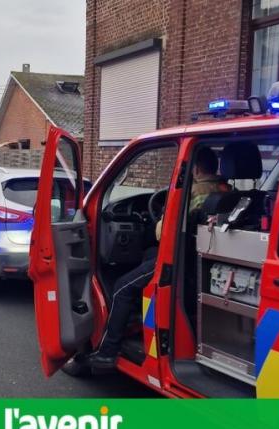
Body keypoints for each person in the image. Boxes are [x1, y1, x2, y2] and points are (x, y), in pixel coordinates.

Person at [86, 146, 229, 370]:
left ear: (197, 169)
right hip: (198, 261)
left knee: (122, 288)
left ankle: (107, 352)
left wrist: (163, 214)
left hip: (179, 261)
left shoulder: (193, 192)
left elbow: (161, 233)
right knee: (148, 256)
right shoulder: (226, 190)